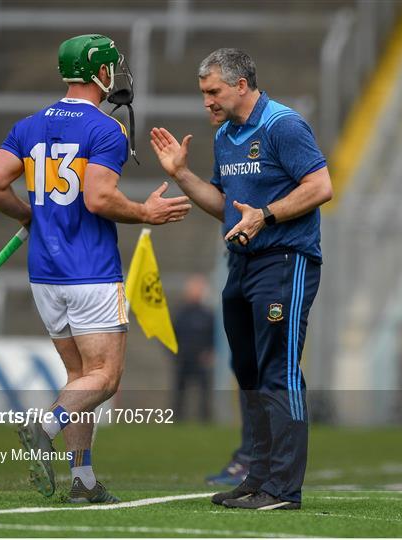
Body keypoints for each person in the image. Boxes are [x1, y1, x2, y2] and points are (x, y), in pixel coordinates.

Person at [0, 34, 191, 503]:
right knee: (106, 379)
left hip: (45, 275)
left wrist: (26, 214)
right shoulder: (105, 129)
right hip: (90, 270)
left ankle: (83, 481)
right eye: (111, 67)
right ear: (99, 73)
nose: (116, 74)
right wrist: (145, 212)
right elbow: (98, 197)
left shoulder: (30, 124)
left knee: (81, 379)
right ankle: (45, 424)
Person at [151, 48, 332, 510]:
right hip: (241, 264)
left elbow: (320, 186)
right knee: (247, 372)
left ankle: (282, 490)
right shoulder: (227, 134)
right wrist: (182, 175)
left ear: (241, 85)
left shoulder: (282, 125)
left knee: (279, 371)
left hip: (284, 261)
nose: (206, 102)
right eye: (203, 94)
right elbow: (224, 206)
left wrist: (265, 217)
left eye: (213, 92)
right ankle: (258, 476)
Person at [171, 274, 214, 422]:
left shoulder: (208, 315)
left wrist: (210, 352)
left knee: (204, 392)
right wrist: (175, 354)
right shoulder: (180, 314)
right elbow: (171, 335)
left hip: (201, 360)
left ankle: (205, 420)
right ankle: (178, 420)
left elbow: (213, 337)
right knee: (180, 392)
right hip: (183, 359)